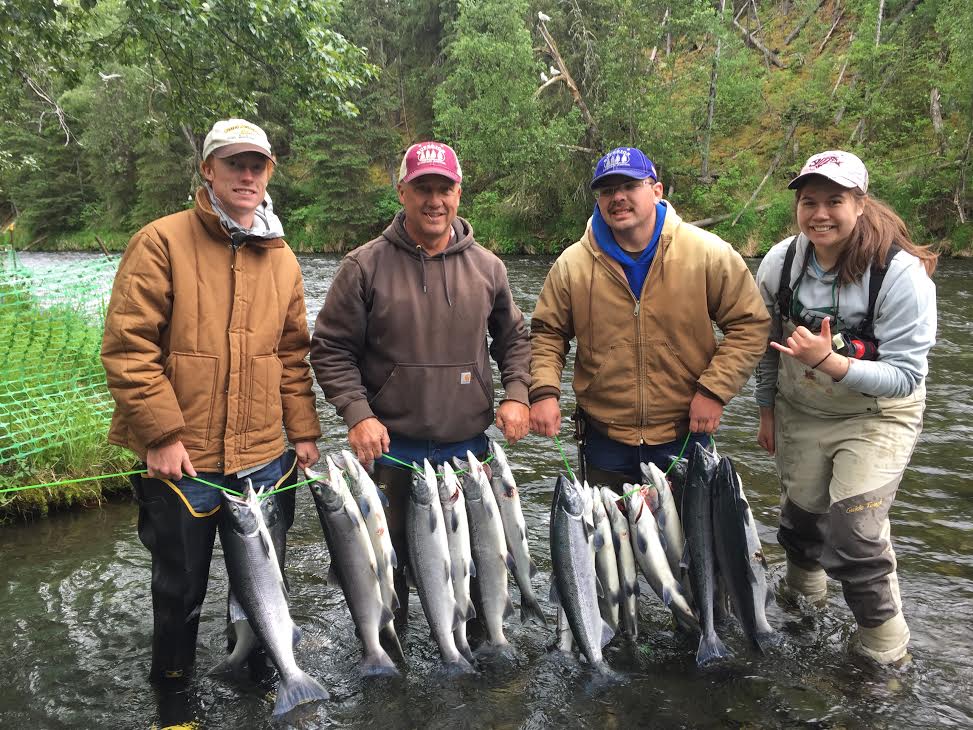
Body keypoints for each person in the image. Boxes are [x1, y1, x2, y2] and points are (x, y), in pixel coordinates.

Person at [101, 118, 321, 687]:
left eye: (256, 164)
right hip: (184, 462)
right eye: (233, 163)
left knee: (262, 594)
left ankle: (260, 689)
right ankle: (174, 705)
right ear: (208, 170)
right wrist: (160, 435)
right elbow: (128, 347)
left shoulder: (286, 259)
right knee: (178, 594)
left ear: (269, 172)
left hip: (267, 459)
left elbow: (293, 357)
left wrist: (304, 434)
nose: (246, 175)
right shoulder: (159, 241)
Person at [309, 141, 531, 624]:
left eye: (444, 188)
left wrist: (518, 395)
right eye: (422, 188)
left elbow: (514, 339)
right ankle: (392, 669)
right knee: (390, 580)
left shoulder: (489, 267)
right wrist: (357, 413)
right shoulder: (363, 266)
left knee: (476, 573)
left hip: (467, 451)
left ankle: (475, 660)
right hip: (390, 453)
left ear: (458, 193)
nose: (434, 200)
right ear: (402, 192)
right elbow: (330, 350)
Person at [754, 150, 937, 665]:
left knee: (855, 534)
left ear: (860, 203)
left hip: (878, 414)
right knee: (802, 520)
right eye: (809, 201)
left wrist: (832, 363)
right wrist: (766, 410)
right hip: (801, 409)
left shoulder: (902, 275)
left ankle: (884, 653)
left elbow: (905, 377)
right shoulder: (781, 262)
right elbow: (768, 347)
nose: (820, 213)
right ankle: (801, 602)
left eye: (835, 200)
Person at [529, 146, 770, 488]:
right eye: (608, 190)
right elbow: (547, 333)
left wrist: (714, 391)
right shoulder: (572, 265)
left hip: (686, 434)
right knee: (610, 542)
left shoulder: (707, 253)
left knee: (692, 541)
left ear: (656, 191)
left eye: (629, 186)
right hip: (604, 439)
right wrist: (544, 392)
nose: (618, 198)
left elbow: (751, 323)